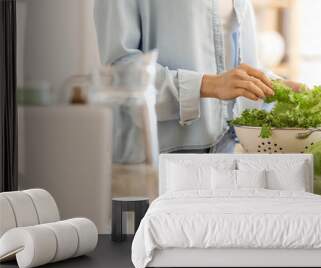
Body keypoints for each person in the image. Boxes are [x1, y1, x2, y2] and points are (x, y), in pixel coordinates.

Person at [94, 0, 302, 153]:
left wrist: (272, 87)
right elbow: (121, 72)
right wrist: (207, 85)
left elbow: (233, 64)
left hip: (225, 154)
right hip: (157, 158)